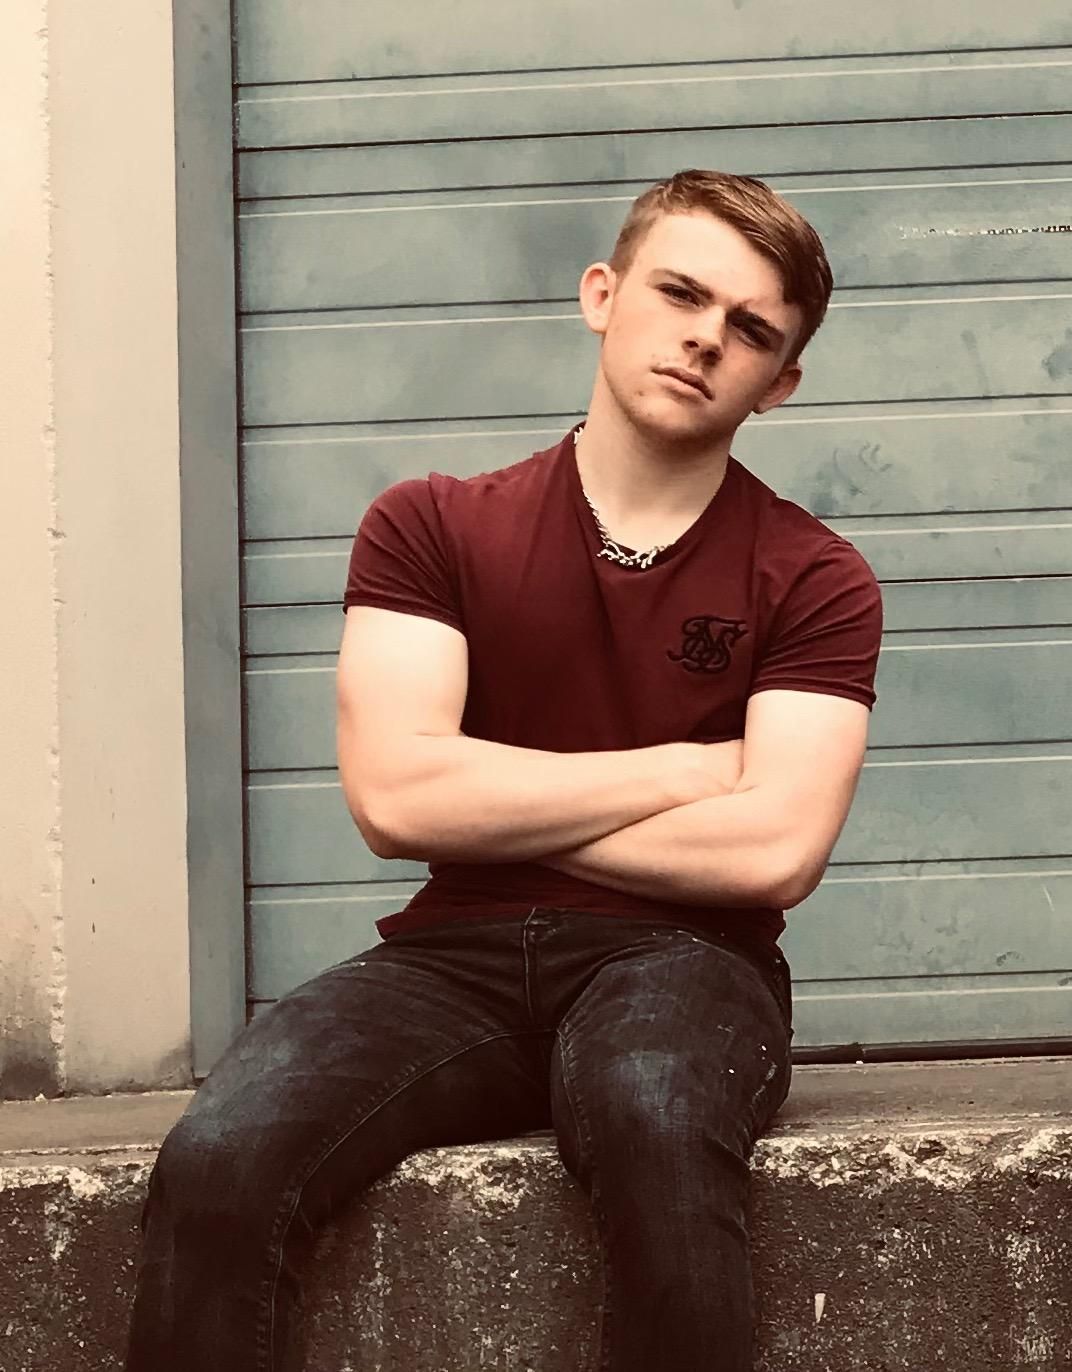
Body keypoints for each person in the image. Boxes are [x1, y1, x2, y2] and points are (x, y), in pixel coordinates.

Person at [125, 169, 882, 1372]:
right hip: (452, 960)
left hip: (688, 960)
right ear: (602, 294)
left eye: (751, 329)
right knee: (222, 1153)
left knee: (652, 1111)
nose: (706, 337)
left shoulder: (815, 576)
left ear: (780, 381)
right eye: (681, 293)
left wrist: (488, 799)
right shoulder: (431, 525)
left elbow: (773, 851)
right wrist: (686, 769)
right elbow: (397, 800)